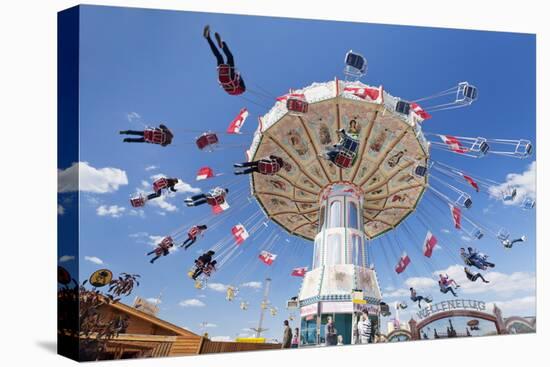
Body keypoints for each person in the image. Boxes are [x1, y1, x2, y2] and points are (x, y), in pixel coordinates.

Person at [203, 25, 246, 95]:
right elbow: (225, 86)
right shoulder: (231, 91)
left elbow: (239, 79)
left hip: (230, 76)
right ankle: (208, 37)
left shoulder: (242, 89)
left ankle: (223, 45)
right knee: (219, 57)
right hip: (222, 75)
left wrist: (238, 75)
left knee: (230, 57)